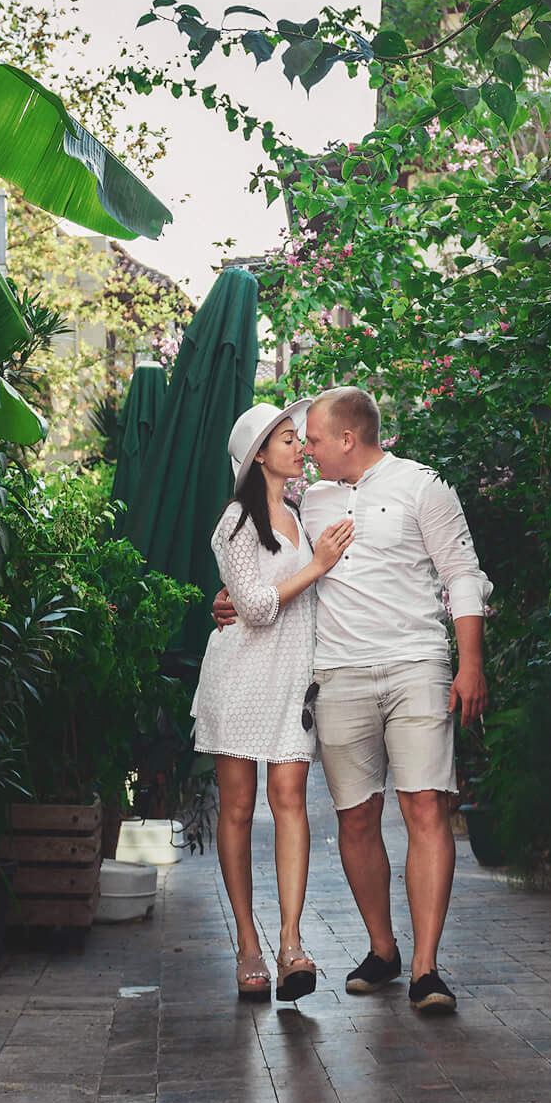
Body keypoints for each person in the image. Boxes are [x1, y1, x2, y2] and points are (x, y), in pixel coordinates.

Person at [212, 386, 491, 1013]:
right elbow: (265, 568)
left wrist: (470, 662)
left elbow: (463, 574)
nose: (306, 450)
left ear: (347, 438)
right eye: (296, 441)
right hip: (336, 674)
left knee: (426, 805)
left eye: (311, 439)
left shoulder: (423, 487)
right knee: (356, 817)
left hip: (417, 664)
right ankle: (382, 950)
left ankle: (425, 970)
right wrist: (228, 600)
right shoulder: (311, 501)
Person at [190, 400, 353, 1002]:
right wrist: (317, 565)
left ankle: (290, 945)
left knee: (291, 802)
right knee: (237, 809)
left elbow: (278, 597)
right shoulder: (236, 519)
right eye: (287, 439)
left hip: (292, 683)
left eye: (298, 438)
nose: (300, 447)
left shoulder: (301, 513)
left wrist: (315, 564)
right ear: (259, 454)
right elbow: (256, 607)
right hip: (240, 681)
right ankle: (247, 945)